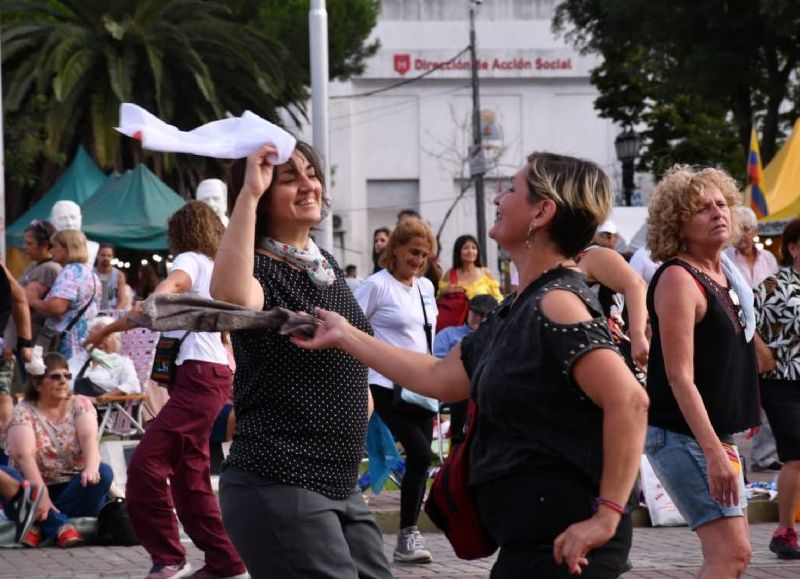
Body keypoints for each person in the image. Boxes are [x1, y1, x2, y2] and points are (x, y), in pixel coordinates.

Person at [294, 151, 649, 578]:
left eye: (512, 189)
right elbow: (439, 377)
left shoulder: (556, 303)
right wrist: (346, 335)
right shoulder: (521, 305)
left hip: (566, 546)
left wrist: (607, 515)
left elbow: (630, 401)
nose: (500, 197)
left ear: (542, 211)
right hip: (534, 543)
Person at [209, 142, 392, 579]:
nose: (309, 185)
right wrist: (249, 194)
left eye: (311, 174)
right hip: (280, 478)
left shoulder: (323, 264)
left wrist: (358, 401)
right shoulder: (260, 268)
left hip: (339, 482)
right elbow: (232, 298)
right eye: (290, 179)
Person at [85, 201, 246, 579]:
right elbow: (151, 314)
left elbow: (173, 286)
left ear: (182, 234)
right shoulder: (218, 270)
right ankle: (227, 563)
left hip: (198, 376)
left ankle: (170, 559)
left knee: (144, 468)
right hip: (206, 377)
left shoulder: (191, 260)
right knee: (189, 478)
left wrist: (158, 293)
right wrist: (109, 329)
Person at [644, 165, 759, 578]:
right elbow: (679, 377)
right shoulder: (678, 278)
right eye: (702, 208)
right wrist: (714, 453)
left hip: (712, 432)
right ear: (678, 223)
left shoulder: (726, 274)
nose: (718, 213)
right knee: (730, 554)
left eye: (722, 203)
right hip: (682, 434)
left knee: (735, 555)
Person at [353, 218, 439, 564]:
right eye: (413, 252)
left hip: (422, 384)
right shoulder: (377, 285)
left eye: (424, 255)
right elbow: (351, 326)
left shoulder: (425, 288)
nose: (418, 260)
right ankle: (406, 534)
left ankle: (407, 536)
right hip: (385, 383)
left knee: (422, 460)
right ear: (395, 250)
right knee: (419, 454)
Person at [3, 351, 113, 548]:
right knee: (5, 474)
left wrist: (90, 468)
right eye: (55, 376)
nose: (63, 381)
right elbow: (24, 456)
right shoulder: (23, 412)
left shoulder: (80, 404)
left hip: (73, 488)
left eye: (67, 376)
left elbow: (90, 440)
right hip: (33, 490)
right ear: (37, 384)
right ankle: (59, 527)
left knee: (103, 472)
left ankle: (39, 525)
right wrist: (41, 494)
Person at [754, 218, 800, 559]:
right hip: (782, 381)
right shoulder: (775, 284)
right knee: (796, 455)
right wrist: (762, 352)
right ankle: (785, 530)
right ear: (794, 247)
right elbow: (741, 319)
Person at [726, 207, 781, 473]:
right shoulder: (726, 258)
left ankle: (764, 454)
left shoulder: (768, 259)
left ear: (756, 231)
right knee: (737, 394)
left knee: (767, 393)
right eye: (737, 230)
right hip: (736, 333)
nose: (741, 236)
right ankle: (732, 453)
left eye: (746, 229)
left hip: (768, 334)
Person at [432, 294, 497, 445]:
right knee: (466, 391)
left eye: (482, 315)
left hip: (486, 389)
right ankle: (459, 444)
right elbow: (437, 364)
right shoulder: (449, 335)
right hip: (455, 387)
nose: (476, 317)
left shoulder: (496, 337)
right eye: (474, 312)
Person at [26, 230, 100, 360]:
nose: (51, 250)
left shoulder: (70, 272)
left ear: (67, 249)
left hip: (63, 343)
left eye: (55, 246)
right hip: (82, 340)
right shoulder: (90, 273)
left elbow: (56, 308)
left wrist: (32, 300)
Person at [575, 243, 650, 373]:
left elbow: (636, 285)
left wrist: (637, 334)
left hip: (606, 352)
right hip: (577, 353)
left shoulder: (592, 255)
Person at [69, 317, 140, 397]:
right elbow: (64, 379)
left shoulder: (122, 363)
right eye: (96, 338)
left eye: (105, 338)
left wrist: (103, 398)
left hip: (100, 406)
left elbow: (133, 386)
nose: (99, 343)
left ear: (115, 341)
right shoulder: (79, 359)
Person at [19, 220, 62, 340]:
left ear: (45, 245)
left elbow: (25, 299)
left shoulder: (49, 268)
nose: (25, 247)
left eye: (29, 244)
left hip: (32, 333)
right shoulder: (35, 265)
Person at [437, 234, 503, 303]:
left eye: (474, 248)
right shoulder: (450, 275)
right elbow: (439, 301)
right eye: (465, 248)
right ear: (458, 252)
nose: (470, 251)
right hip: (459, 313)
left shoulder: (485, 273)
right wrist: (444, 291)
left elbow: (498, 299)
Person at [50, 200, 99, 267]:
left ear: (80, 220)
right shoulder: (47, 249)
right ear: (53, 222)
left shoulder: (92, 247)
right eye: (63, 219)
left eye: (73, 218)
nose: (69, 223)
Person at [94, 244, 129, 311]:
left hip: (111, 312)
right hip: (93, 311)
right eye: (103, 255)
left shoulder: (119, 275)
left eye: (109, 256)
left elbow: (122, 300)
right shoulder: (90, 273)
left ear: (112, 257)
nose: (106, 258)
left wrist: (113, 314)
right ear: (97, 256)